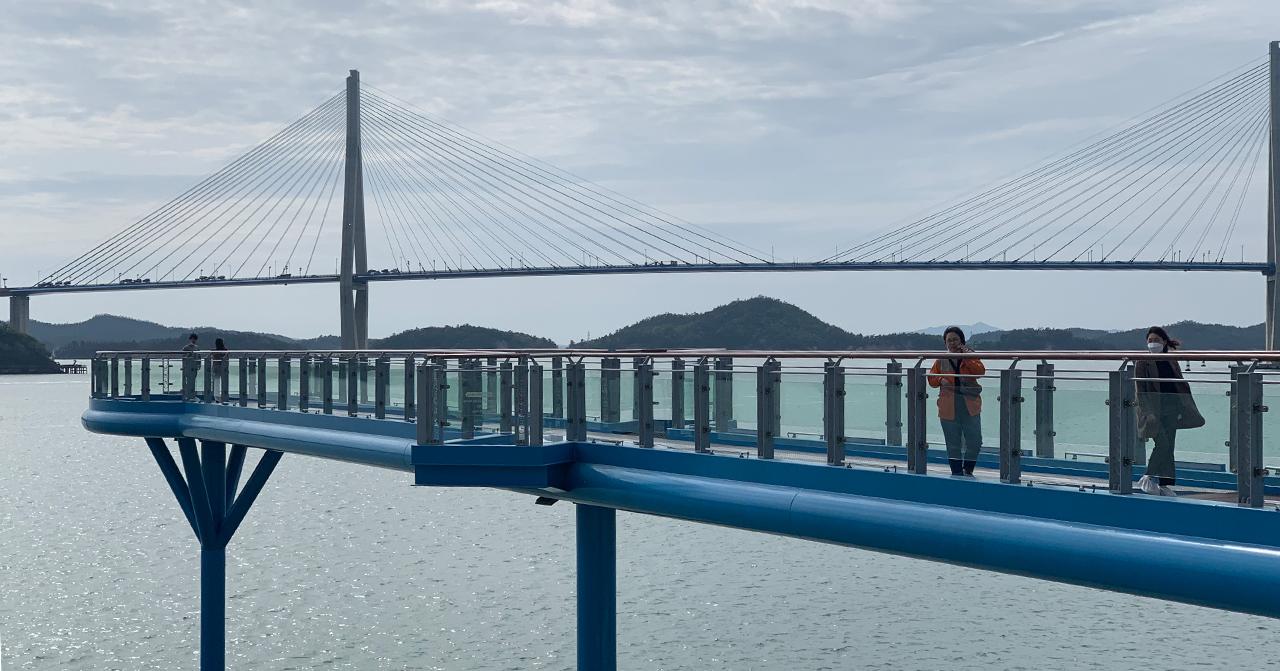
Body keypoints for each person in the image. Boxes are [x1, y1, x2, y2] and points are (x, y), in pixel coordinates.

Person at [1135, 326, 1203, 496]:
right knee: (1162, 444)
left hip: (1172, 407)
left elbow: (1178, 383)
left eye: (1156, 340)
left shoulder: (1171, 359)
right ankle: (1147, 477)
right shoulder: (1142, 362)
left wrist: (1183, 407)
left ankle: (1165, 484)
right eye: (1150, 341)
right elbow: (1140, 390)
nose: (1152, 343)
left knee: (1169, 446)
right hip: (1154, 410)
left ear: (1164, 342)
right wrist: (1147, 413)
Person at [927, 326, 985, 476]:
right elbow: (931, 379)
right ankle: (957, 473)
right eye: (949, 340)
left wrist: (966, 355)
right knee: (953, 443)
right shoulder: (941, 360)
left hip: (970, 404)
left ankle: (968, 470)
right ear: (945, 343)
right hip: (948, 406)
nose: (952, 343)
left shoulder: (971, 357)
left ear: (962, 341)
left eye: (955, 339)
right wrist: (941, 379)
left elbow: (980, 372)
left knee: (975, 441)